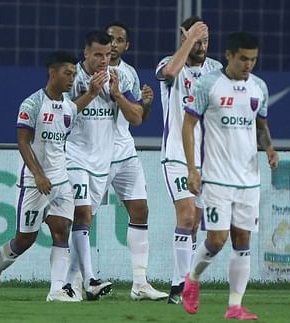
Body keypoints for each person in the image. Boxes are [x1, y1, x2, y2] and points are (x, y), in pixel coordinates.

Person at [181, 31, 278, 320]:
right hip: (216, 177)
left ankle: (235, 306)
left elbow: (261, 125)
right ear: (229, 55)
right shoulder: (208, 85)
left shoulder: (259, 87)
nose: (248, 64)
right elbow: (188, 126)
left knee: (242, 240)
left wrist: (270, 148)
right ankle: (193, 279)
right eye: (243, 59)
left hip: (249, 179)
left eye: (253, 59)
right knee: (217, 239)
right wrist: (191, 168)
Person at [0, 51, 80, 302]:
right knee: (25, 239)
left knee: (62, 230)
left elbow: (61, 144)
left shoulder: (70, 107)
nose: (71, 78)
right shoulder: (32, 104)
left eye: (74, 73)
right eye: (67, 73)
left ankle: (56, 290)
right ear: (52, 72)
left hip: (60, 181)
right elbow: (22, 142)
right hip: (34, 184)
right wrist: (38, 174)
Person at [63, 30, 143, 301]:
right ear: (85, 53)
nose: (103, 60)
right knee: (83, 214)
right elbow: (60, 117)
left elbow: (137, 118)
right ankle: (89, 280)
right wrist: (92, 93)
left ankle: (69, 283)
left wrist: (117, 94)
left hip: (102, 162)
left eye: (107, 55)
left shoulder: (118, 78)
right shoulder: (70, 76)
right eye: (98, 54)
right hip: (73, 157)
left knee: (82, 222)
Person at [155, 16, 222, 304]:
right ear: (185, 39)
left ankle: (180, 283)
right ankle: (181, 289)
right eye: (197, 40)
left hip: (206, 159)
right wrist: (190, 39)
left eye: (205, 40)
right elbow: (170, 71)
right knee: (184, 216)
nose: (201, 46)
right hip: (176, 155)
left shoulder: (216, 70)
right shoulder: (169, 64)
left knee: (194, 223)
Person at [105, 21, 168, 301]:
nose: (115, 43)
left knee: (140, 211)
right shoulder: (86, 71)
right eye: (111, 39)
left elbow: (136, 118)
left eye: (120, 40)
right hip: (96, 155)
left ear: (126, 45)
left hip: (125, 151)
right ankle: (73, 280)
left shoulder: (129, 74)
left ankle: (139, 283)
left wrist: (146, 104)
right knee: (81, 217)